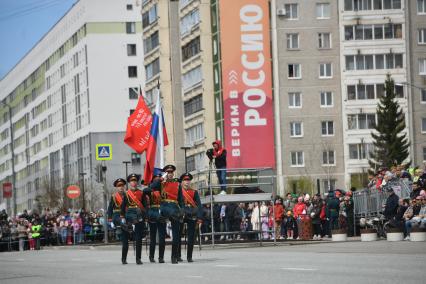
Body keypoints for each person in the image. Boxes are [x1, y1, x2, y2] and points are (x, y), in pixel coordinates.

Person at [154, 164, 184, 264]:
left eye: (171, 172)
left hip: (175, 208)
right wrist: (161, 178)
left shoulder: (177, 184)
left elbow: (181, 200)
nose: (170, 174)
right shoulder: (161, 183)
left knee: (176, 235)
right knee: (162, 236)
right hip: (164, 207)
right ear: (165, 173)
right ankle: (161, 257)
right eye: (168, 172)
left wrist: (182, 211)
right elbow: (152, 186)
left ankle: (174, 257)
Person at [120, 174, 147, 265]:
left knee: (138, 238)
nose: (134, 182)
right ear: (129, 183)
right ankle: (124, 258)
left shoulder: (141, 193)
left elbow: (144, 206)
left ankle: (138, 259)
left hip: (139, 215)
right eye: (132, 181)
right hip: (129, 215)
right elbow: (123, 207)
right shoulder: (127, 193)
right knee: (126, 239)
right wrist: (122, 217)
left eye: (135, 181)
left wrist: (145, 217)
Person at [178, 173, 203, 262]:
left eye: (188, 180)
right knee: (178, 235)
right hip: (182, 214)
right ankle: (178, 255)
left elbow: (199, 205)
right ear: (182, 182)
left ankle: (189, 256)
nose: (187, 182)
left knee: (191, 237)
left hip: (192, 215)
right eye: (185, 180)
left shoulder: (194, 192)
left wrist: (199, 218)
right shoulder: (178, 192)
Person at [144, 173, 167, 263]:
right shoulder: (149, 190)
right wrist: (158, 180)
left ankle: (161, 257)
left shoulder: (163, 189)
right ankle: (151, 256)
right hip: (153, 215)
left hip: (161, 215)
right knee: (153, 238)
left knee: (162, 238)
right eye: (156, 179)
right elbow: (145, 191)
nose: (158, 181)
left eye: (159, 179)